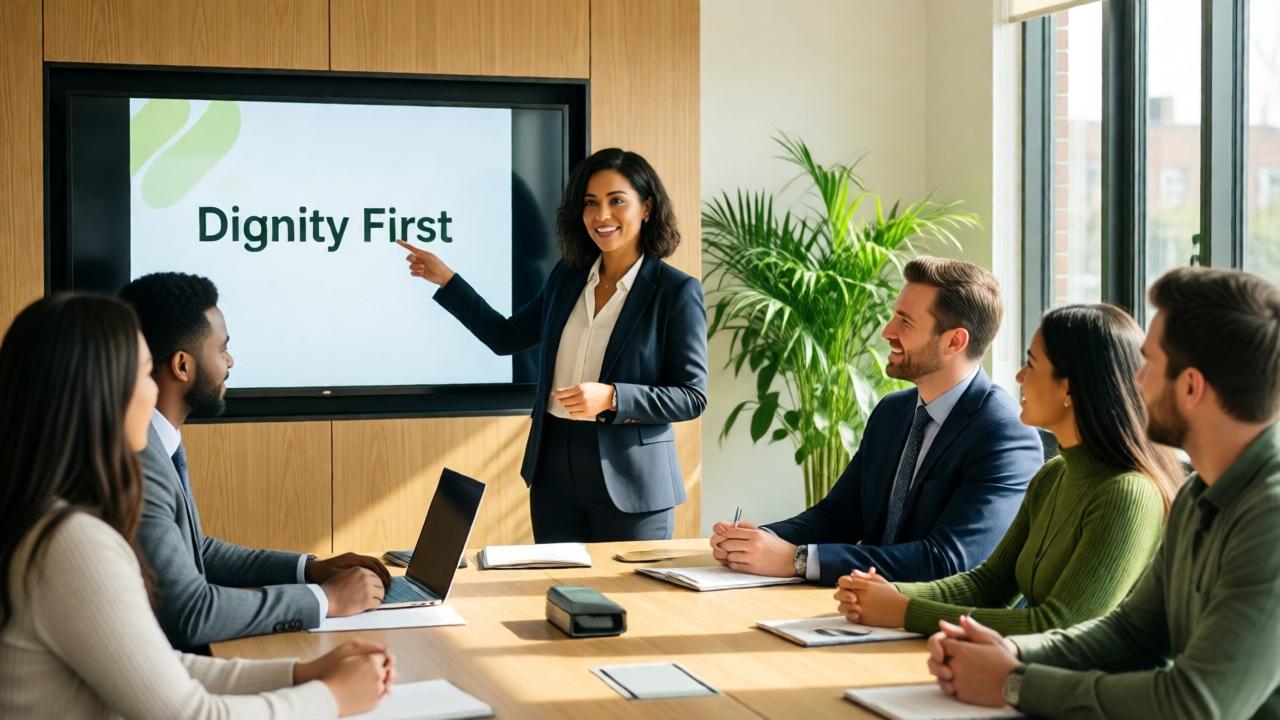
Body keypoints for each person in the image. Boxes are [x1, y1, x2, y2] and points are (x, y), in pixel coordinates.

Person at [0, 294, 394, 718]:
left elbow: (159, 667)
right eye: (143, 372)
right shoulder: (73, 544)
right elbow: (193, 716)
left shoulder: (45, 520)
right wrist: (333, 697)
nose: (153, 390)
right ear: (103, 394)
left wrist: (299, 673)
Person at [925, 267, 1280, 718]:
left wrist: (1016, 683)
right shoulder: (1199, 494)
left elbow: (1196, 703)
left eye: (1149, 364)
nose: (1134, 381)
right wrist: (1008, 651)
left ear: (1191, 387)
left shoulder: (1271, 517)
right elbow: (1133, 634)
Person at [396, 148, 707, 542]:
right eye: (590, 203)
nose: (602, 216)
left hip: (632, 479)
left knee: (630, 602)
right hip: (555, 471)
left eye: (617, 201)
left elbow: (691, 395)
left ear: (646, 208)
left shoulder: (676, 291)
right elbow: (505, 337)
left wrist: (613, 398)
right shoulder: (568, 276)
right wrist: (447, 280)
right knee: (560, 596)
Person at [834, 304, 1183, 635]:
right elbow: (986, 585)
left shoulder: (1128, 494)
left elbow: (1057, 626)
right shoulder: (1052, 477)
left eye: (1031, 365)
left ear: (1069, 389)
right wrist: (889, 592)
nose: (1018, 377)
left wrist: (904, 611)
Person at [710, 257, 1044, 585]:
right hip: (863, 611)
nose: (888, 331)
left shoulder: (1004, 433)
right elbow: (839, 515)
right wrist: (756, 541)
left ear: (954, 341)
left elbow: (946, 561)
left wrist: (798, 560)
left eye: (905, 322)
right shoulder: (892, 411)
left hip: (937, 628)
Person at [120, 273, 391, 651]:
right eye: (222, 349)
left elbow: (195, 550)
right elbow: (191, 612)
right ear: (182, 366)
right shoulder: (138, 460)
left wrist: (307, 569)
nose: (230, 361)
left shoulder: (157, 441)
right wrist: (326, 600)